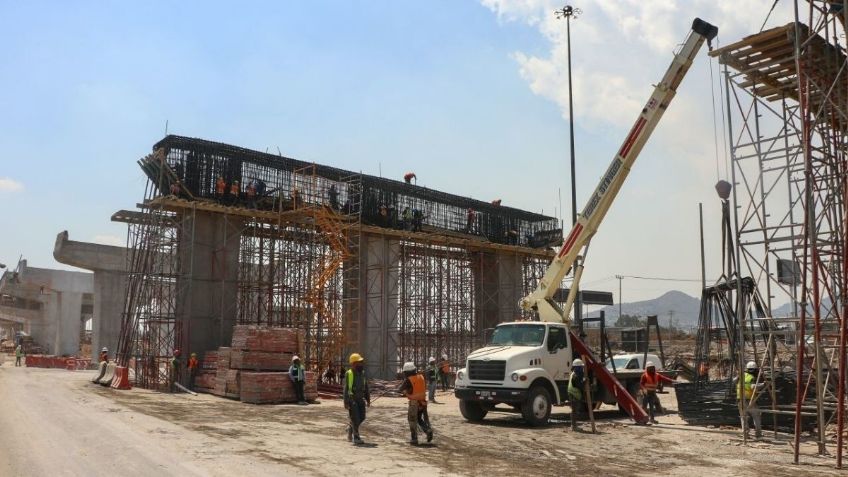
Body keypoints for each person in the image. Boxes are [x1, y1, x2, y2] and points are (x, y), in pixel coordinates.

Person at [399, 362, 433, 445]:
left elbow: (400, 389)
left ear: (407, 372)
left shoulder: (408, 380)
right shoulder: (421, 377)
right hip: (422, 403)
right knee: (419, 419)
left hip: (414, 404)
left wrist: (405, 391)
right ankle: (427, 430)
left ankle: (414, 438)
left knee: (412, 420)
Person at [344, 353, 371, 445]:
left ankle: (350, 428)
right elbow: (346, 388)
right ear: (353, 364)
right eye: (359, 362)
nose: (361, 364)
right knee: (356, 418)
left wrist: (368, 399)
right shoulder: (349, 374)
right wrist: (346, 402)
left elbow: (366, 387)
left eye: (361, 362)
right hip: (353, 399)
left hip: (361, 399)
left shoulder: (362, 374)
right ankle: (356, 437)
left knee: (362, 417)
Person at [568, 358, 595, 431]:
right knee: (575, 410)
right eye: (581, 367)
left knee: (575, 410)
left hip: (573, 394)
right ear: (577, 368)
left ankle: (574, 425)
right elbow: (579, 385)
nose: (582, 369)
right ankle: (574, 426)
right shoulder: (575, 375)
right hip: (574, 394)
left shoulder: (574, 373)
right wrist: (585, 380)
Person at [738, 361, 763, 439]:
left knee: (743, 417)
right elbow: (753, 387)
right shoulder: (751, 377)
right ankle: (758, 434)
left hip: (740, 400)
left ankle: (745, 434)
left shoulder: (741, 376)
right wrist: (763, 384)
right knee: (756, 416)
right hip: (749, 400)